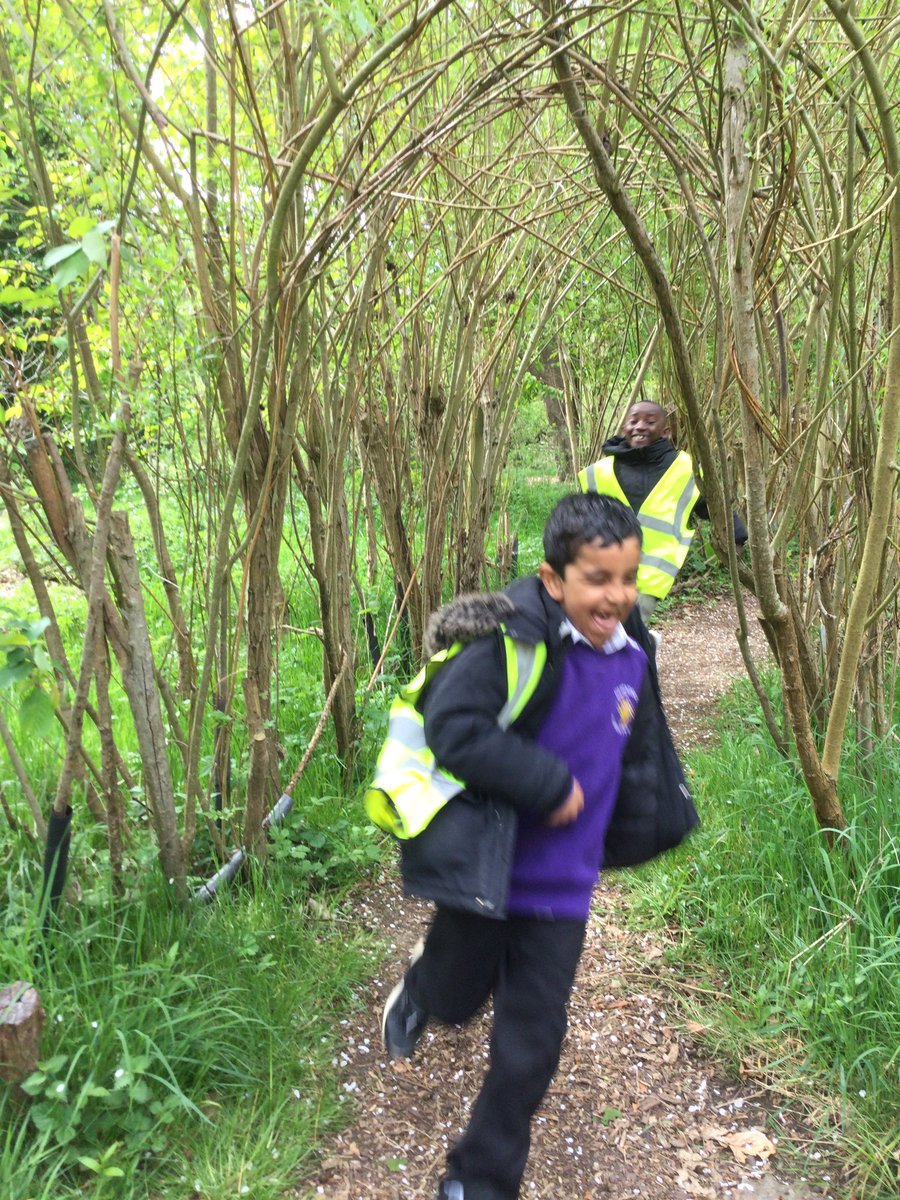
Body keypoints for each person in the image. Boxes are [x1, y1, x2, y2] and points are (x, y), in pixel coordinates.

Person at [374, 493, 697, 1200]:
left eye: (628, 577)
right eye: (597, 578)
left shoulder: (633, 654)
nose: (616, 595)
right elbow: (453, 725)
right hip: (489, 877)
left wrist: (651, 817)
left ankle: (478, 1180)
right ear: (554, 580)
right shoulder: (511, 643)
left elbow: (636, 752)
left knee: (530, 1047)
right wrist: (546, 784)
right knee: (458, 1000)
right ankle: (425, 983)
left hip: (563, 892)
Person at [577, 400, 747, 622]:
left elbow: (714, 506)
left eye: (649, 421)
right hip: (601, 576)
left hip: (649, 581)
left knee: (622, 636)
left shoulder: (686, 469)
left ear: (666, 432)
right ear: (624, 427)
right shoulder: (599, 472)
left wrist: (737, 536)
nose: (639, 426)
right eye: (633, 420)